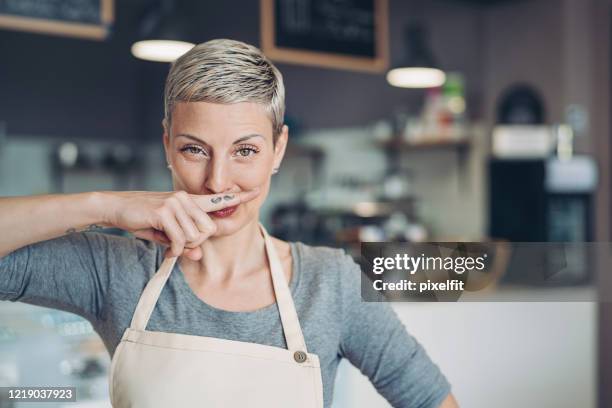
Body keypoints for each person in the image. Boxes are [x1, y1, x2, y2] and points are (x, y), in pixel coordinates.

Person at [0, 38, 459, 407]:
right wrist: (104, 205)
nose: (217, 179)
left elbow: (429, 399)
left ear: (278, 150)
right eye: (194, 149)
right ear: (166, 147)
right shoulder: (115, 271)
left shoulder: (330, 284)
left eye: (245, 150)